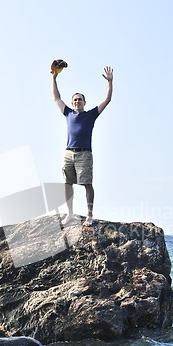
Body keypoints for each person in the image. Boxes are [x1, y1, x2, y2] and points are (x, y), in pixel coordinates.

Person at [51, 66, 113, 226]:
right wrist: (53, 79)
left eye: (80, 99)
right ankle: (70, 214)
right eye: (75, 100)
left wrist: (110, 83)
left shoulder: (91, 114)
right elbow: (56, 98)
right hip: (68, 153)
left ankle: (89, 215)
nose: (77, 101)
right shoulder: (68, 113)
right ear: (72, 103)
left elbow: (107, 100)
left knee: (87, 184)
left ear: (84, 102)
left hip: (84, 154)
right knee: (67, 183)